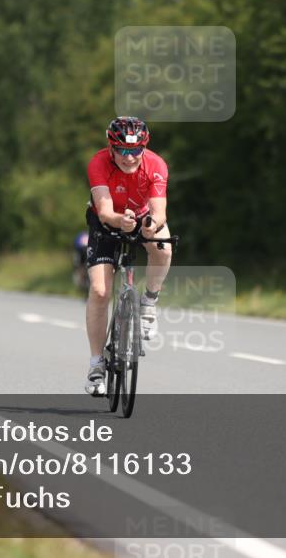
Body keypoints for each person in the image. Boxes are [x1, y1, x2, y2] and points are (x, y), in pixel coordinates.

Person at [83, 116, 172, 396]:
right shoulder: (98, 163)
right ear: (111, 147)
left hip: (144, 218)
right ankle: (96, 363)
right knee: (99, 291)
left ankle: (149, 303)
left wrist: (151, 225)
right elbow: (106, 210)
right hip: (106, 221)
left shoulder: (156, 165)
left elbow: (159, 212)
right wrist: (120, 221)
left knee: (164, 248)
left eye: (136, 151)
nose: (130, 157)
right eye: (122, 150)